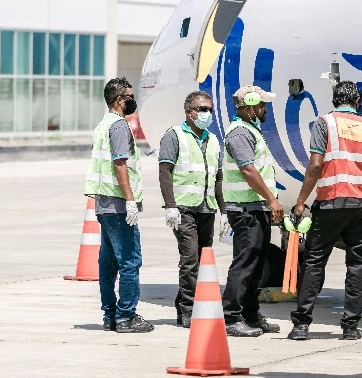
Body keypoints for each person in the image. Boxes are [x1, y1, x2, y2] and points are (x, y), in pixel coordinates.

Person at [286, 81, 362, 341]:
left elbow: (315, 165)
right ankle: (350, 327)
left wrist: (301, 201)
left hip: (332, 200)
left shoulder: (325, 123)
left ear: (335, 100)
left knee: (314, 261)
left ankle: (301, 324)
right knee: (357, 264)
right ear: (358, 101)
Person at [84, 77, 153, 333]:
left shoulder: (103, 125)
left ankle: (110, 315)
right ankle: (126, 316)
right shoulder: (120, 127)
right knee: (130, 261)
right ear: (119, 100)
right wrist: (130, 200)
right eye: (129, 96)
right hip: (119, 205)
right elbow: (120, 164)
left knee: (108, 262)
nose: (132, 100)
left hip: (103, 204)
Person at [220, 85, 285, 338]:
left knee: (257, 265)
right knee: (245, 264)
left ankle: (250, 313)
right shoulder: (239, 134)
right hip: (245, 209)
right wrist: (272, 199)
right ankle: (231, 316)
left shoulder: (251, 131)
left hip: (255, 208)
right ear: (248, 106)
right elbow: (248, 170)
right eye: (261, 105)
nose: (264, 109)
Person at [158, 90, 223, 328]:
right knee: (190, 258)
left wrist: (224, 210)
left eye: (210, 110)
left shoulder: (213, 139)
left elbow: (218, 177)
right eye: (203, 109)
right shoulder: (174, 136)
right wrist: (171, 206)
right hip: (184, 208)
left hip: (207, 208)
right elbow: (165, 171)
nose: (208, 114)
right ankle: (187, 309)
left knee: (203, 260)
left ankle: (187, 303)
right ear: (189, 112)